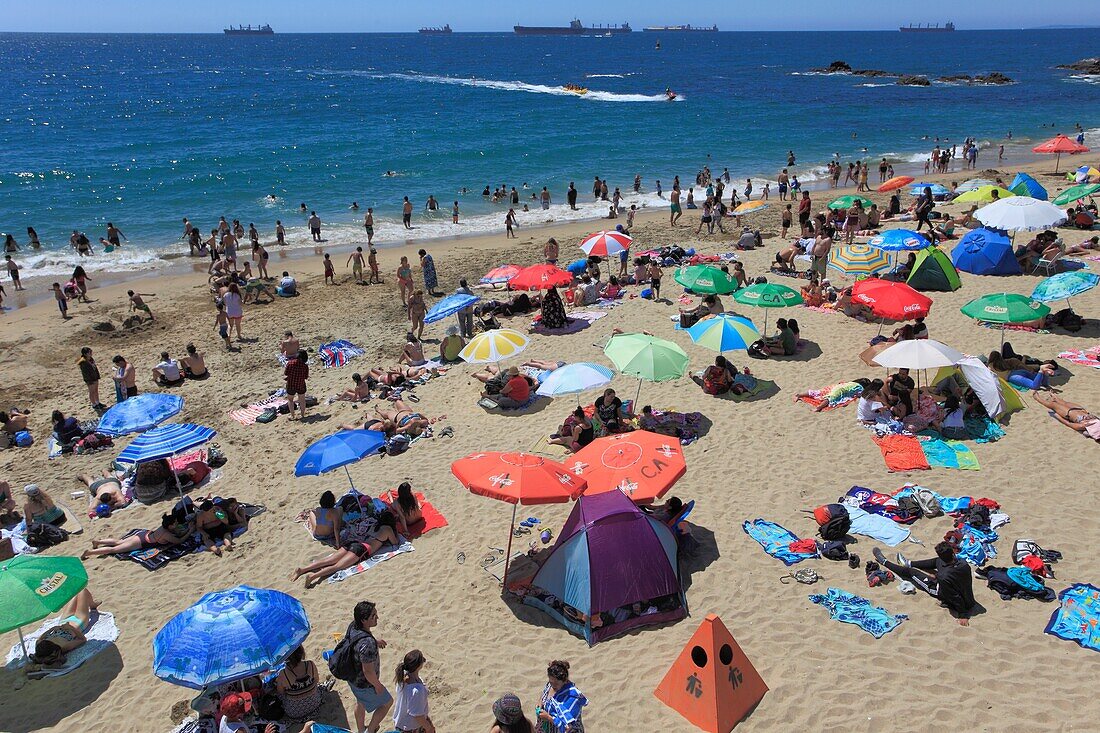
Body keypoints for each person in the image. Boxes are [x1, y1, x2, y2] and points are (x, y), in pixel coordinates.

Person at [873, 543, 976, 625]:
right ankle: (909, 563)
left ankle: (885, 562)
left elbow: (954, 596)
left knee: (912, 573)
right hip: (968, 596)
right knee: (937, 561)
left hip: (939, 590)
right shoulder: (963, 564)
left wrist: (962, 614)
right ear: (953, 553)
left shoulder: (943, 576)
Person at [293, 512, 400, 588]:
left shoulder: (375, 526)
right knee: (337, 566)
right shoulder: (388, 529)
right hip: (362, 549)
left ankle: (302, 569)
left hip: (355, 543)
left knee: (328, 560)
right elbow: (395, 542)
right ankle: (313, 576)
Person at [28, 587, 101, 667]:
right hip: (78, 624)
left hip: (63, 622)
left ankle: (92, 604)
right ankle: (92, 605)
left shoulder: (40, 647)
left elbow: (39, 639)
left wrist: (51, 629)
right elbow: (82, 639)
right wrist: (70, 628)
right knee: (82, 590)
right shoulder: (63, 647)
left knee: (74, 592)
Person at [82, 511, 192, 559]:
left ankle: (98, 542)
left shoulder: (163, 527)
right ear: (170, 526)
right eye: (175, 523)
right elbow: (179, 541)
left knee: (118, 541)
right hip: (141, 542)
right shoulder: (166, 534)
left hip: (143, 535)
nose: (177, 524)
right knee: (114, 550)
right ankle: (90, 552)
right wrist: (190, 531)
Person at [275, 645, 324, 721]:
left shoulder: (283, 673)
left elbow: (280, 692)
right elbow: (316, 681)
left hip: (294, 713)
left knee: (278, 694)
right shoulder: (310, 664)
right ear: (301, 652)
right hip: (315, 703)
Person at [538, 660, 587, 733]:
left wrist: (548, 717)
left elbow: (568, 727)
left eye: (556, 683)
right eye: (551, 682)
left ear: (565, 681)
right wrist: (540, 701)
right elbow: (545, 693)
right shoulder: (551, 684)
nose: (553, 685)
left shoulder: (572, 697)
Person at [391, 650, 433, 733]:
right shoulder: (416, 691)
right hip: (411, 728)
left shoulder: (402, 678)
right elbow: (416, 714)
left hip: (401, 724)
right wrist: (428, 728)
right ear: (419, 666)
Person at [1034, 391, 1098, 434]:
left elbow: (1068, 423)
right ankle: (1054, 397)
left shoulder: (1082, 426)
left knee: (1053, 405)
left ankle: (1038, 398)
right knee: (1065, 403)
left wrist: (1056, 415)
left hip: (1070, 414)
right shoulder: (1096, 422)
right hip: (1083, 411)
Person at [284, 349, 310, 420]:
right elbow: (305, 377)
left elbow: (286, 373)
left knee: (290, 399)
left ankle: (292, 415)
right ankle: (302, 415)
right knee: (302, 400)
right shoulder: (305, 366)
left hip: (291, 384)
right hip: (301, 384)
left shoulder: (290, 363)